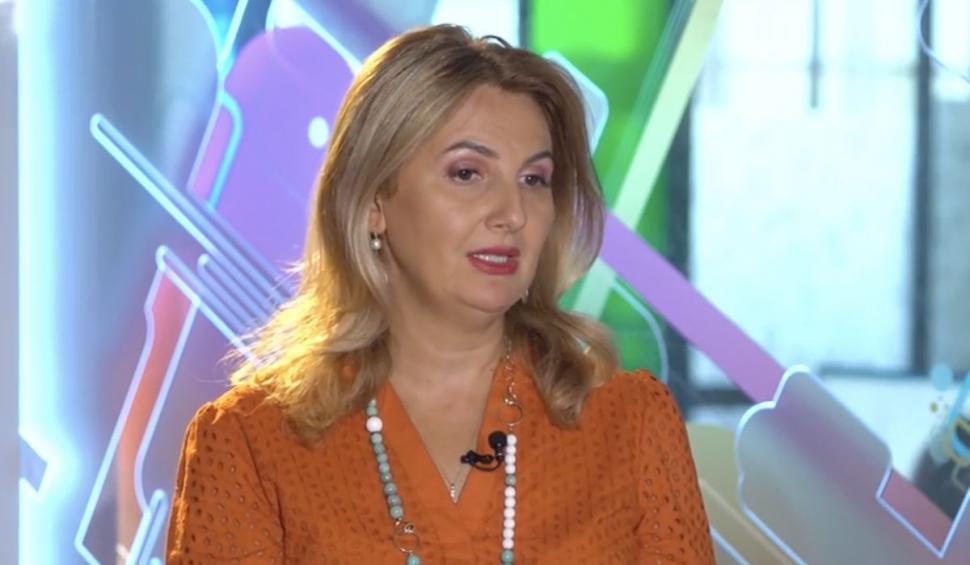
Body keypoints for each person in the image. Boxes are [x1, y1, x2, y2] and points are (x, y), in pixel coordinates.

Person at [165, 24, 714, 564]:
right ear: (373, 201)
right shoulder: (251, 442)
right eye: (468, 173)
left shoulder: (630, 423)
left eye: (534, 180)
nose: (513, 214)